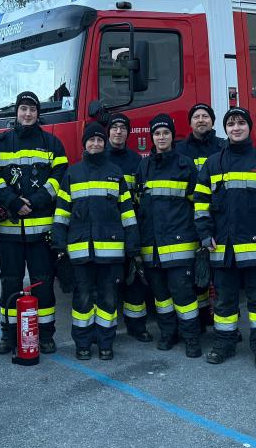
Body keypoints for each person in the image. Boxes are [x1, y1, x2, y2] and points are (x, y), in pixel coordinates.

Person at [194, 107, 256, 370]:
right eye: (231, 124)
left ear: (249, 127)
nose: (236, 128)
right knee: (224, 301)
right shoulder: (213, 163)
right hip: (222, 248)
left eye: (241, 123)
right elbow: (200, 203)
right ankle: (224, 344)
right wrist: (204, 234)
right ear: (225, 129)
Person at [0, 91, 68, 356]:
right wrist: (12, 202)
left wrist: (34, 201)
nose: (28, 114)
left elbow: (59, 178)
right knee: (10, 283)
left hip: (41, 233)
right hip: (9, 232)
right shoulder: (0, 143)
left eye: (32, 109)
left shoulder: (52, 143)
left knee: (43, 284)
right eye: (23, 109)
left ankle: (45, 335)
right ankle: (8, 335)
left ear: (38, 113)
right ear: (17, 112)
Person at [52, 123, 139, 361]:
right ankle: (82, 343)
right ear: (85, 144)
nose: (96, 144)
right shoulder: (72, 173)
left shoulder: (115, 173)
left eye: (100, 140)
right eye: (91, 140)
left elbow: (127, 213)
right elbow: (62, 213)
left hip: (111, 252)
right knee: (82, 298)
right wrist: (59, 245)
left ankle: (105, 343)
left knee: (108, 298)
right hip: (80, 250)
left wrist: (133, 245)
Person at [132, 113, 204, 356]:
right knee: (161, 297)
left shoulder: (185, 164)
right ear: (152, 137)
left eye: (165, 133)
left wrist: (200, 237)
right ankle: (168, 334)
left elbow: (198, 204)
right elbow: (139, 205)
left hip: (179, 243)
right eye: (157, 133)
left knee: (184, 295)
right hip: (151, 245)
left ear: (173, 136)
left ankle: (191, 338)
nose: (161, 137)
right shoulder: (144, 166)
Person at [176, 102, 227, 333]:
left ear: (212, 121)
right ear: (190, 123)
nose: (201, 120)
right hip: (189, 218)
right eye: (196, 116)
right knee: (196, 271)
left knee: (221, 274)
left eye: (205, 116)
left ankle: (224, 323)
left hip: (219, 218)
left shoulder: (223, 147)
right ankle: (201, 319)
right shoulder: (180, 150)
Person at [106, 113, 151, 342]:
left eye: (123, 128)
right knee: (109, 281)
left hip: (132, 228)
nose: (118, 132)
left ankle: (137, 326)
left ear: (128, 133)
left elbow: (141, 196)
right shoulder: (99, 158)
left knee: (134, 279)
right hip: (107, 230)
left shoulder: (137, 161)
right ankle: (107, 329)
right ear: (108, 131)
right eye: (114, 127)